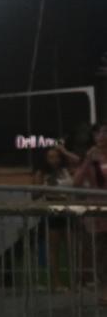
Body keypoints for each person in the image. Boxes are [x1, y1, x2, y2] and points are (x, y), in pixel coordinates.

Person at [36, 142, 80, 291]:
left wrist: (64, 150)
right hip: (52, 211)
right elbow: (34, 193)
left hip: (68, 210)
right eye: (50, 157)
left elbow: (78, 160)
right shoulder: (42, 173)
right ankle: (56, 282)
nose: (53, 160)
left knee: (71, 248)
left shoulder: (66, 170)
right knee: (54, 249)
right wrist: (46, 187)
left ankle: (74, 281)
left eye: (56, 157)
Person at [73, 122, 107, 303]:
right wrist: (88, 160)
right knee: (101, 251)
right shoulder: (91, 158)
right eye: (98, 133)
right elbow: (76, 182)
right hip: (98, 211)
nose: (101, 136)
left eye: (105, 132)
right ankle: (105, 289)